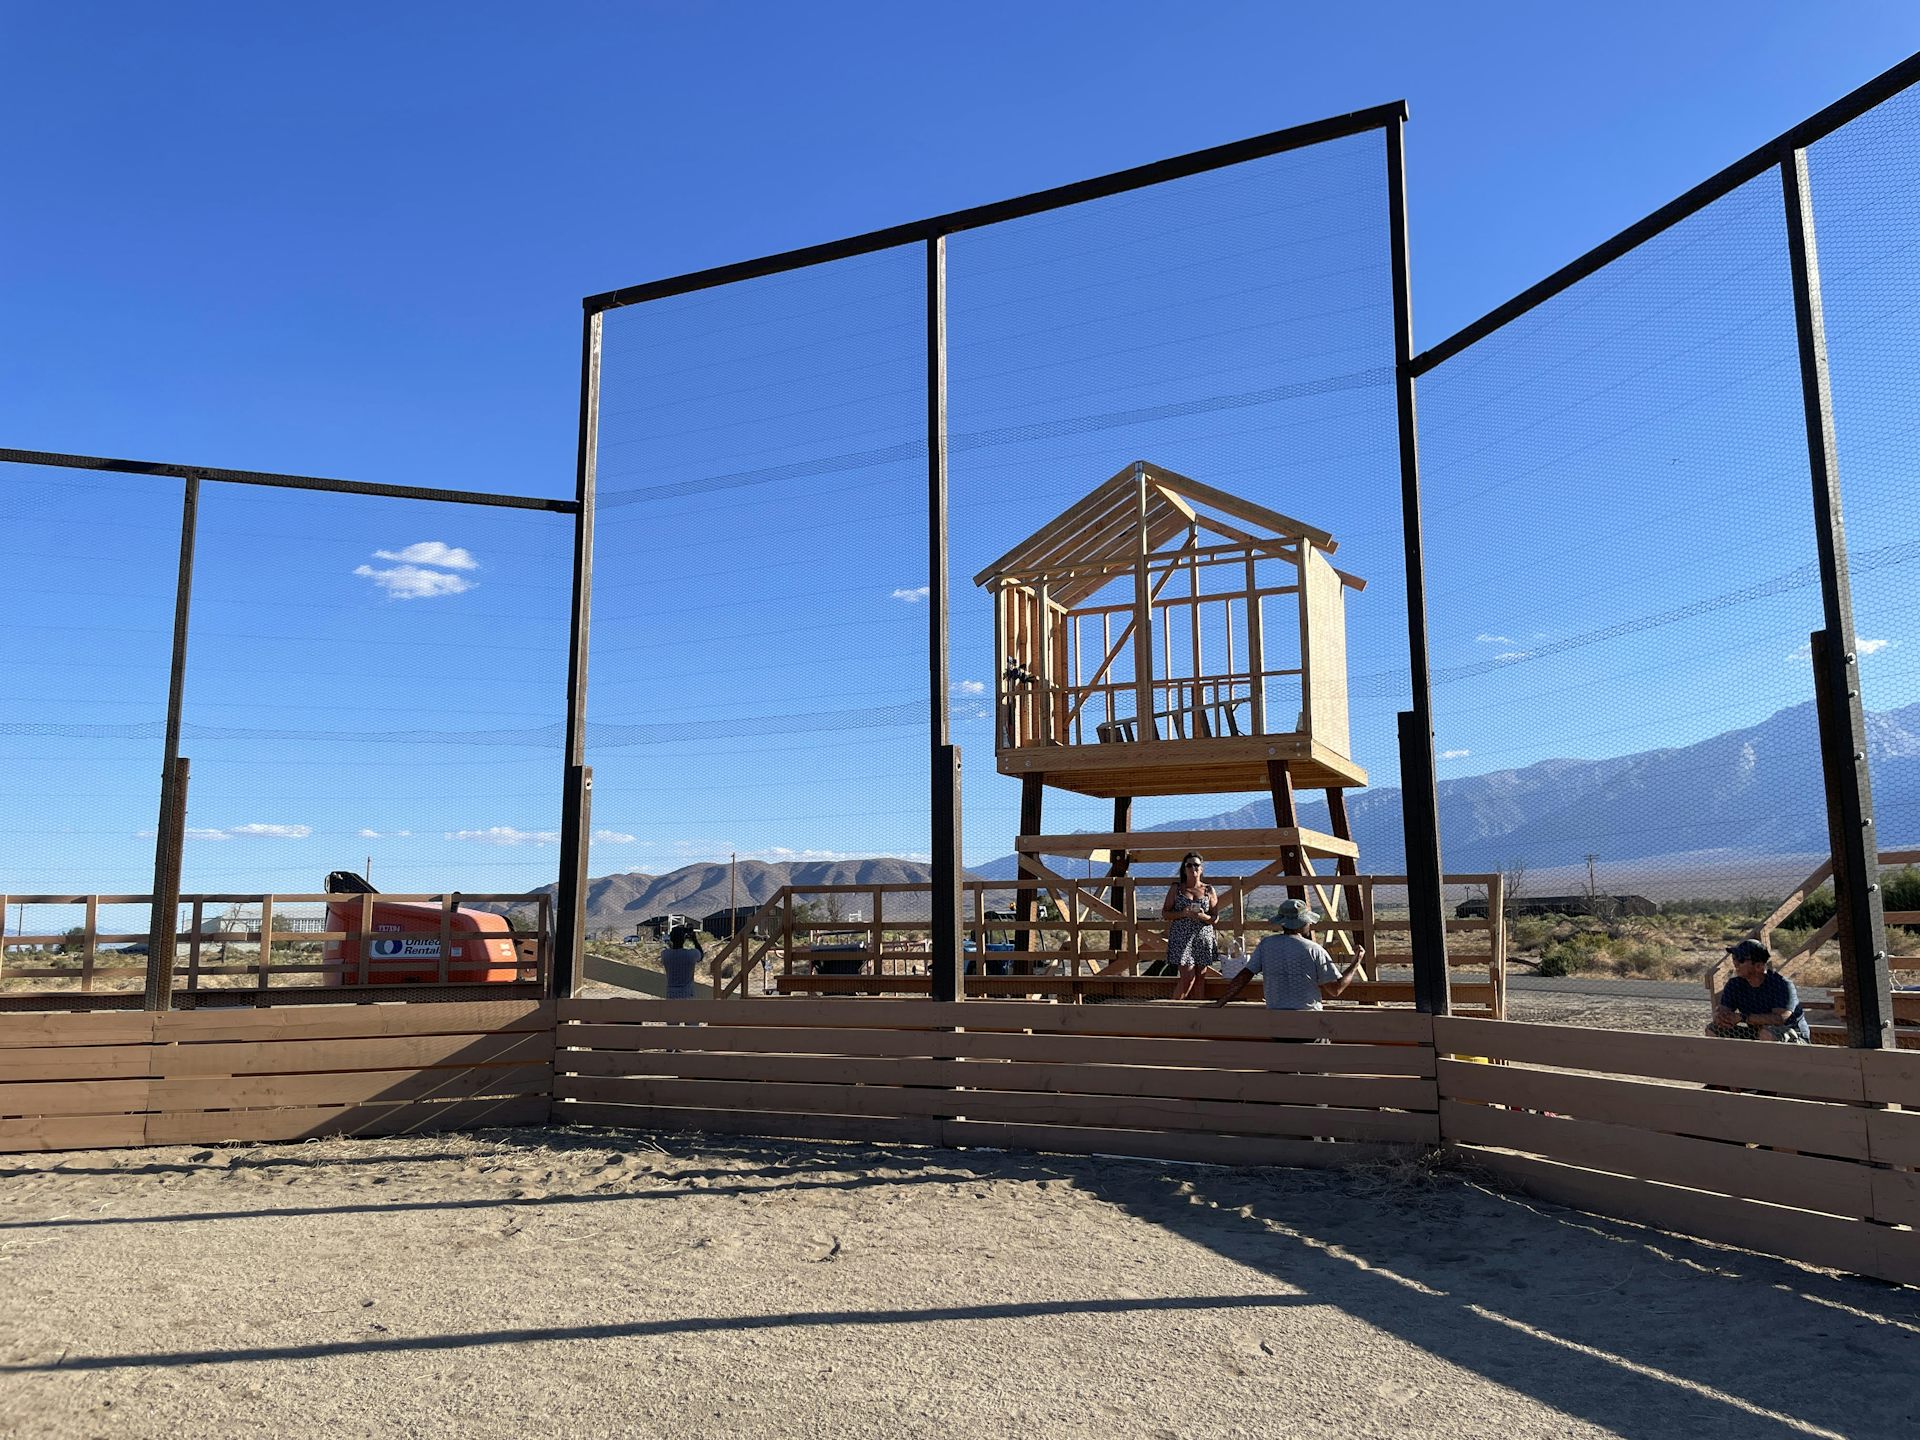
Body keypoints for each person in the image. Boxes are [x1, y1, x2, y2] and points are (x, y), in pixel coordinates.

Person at [1214, 898, 1365, 1011]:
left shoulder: (1266, 945)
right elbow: (1335, 989)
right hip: (1310, 1025)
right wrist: (1355, 962)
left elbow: (1244, 976)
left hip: (1277, 1025)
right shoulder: (1314, 950)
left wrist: (1221, 1001)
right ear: (1303, 923)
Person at [1707, 938, 1809, 1042]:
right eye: (1734, 958)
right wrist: (1721, 1017)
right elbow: (1723, 1011)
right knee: (1714, 1029)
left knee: (1767, 1033)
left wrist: (1743, 1017)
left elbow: (1780, 1019)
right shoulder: (1735, 984)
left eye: (1741, 959)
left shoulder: (1782, 985)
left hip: (1793, 1036)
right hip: (1756, 1033)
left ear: (1759, 966)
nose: (1736, 963)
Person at [1161, 851, 1220, 1000]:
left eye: (1196, 865)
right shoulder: (1176, 889)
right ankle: (1173, 1010)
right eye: (1189, 865)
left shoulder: (1209, 890)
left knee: (1200, 979)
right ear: (1184, 869)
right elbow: (1165, 913)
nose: (1193, 868)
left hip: (1202, 938)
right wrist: (1183, 913)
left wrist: (1203, 916)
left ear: (1202, 868)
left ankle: (1197, 1015)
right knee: (1188, 977)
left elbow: (1215, 917)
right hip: (1182, 938)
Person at [662, 924, 703, 1002]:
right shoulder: (690, 955)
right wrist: (694, 939)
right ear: (683, 939)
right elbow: (700, 955)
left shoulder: (665, 955)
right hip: (687, 993)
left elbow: (671, 948)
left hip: (671, 994)